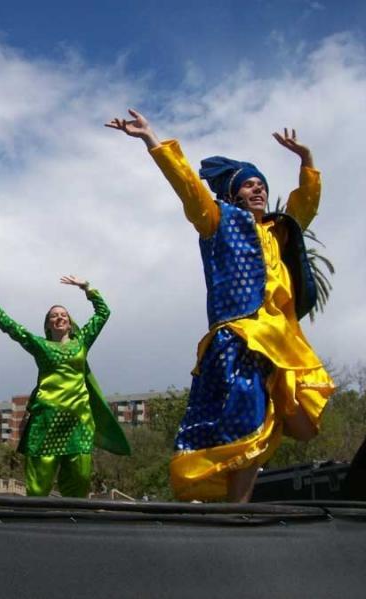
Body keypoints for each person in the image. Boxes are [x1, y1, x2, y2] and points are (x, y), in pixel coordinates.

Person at [106, 109, 334, 502]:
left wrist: (306, 161)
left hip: (280, 342)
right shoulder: (217, 220)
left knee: (269, 421)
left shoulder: (279, 230)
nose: (258, 190)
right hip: (238, 336)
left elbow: (305, 208)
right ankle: (230, 505)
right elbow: (189, 187)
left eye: (261, 185)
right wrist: (152, 140)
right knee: (243, 417)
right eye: (248, 186)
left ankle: (238, 506)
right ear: (232, 194)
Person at [0, 276, 130, 497]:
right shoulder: (41, 346)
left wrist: (86, 288)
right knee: (39, 484)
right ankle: (36, 523)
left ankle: (75, 521)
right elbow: (11, 328)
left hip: (78, 420)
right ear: (48, 324)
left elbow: (103, 313)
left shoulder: (81, 342)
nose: (59, 318)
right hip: (47, 420)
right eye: (54, 316)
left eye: (63, 315)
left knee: (80, 479)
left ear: (70, 323)